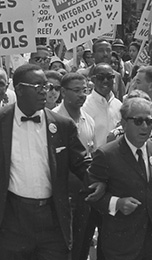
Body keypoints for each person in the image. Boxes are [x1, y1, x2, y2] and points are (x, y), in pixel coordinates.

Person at [0, 64, 103, 260]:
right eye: (38, 87)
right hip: (10, 218)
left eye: (46, 87)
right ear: (19, 90)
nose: (45, 92)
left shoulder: (62, 125)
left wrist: (96, 180)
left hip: (51, 218)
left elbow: (81, 162)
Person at [88, 96, 152, 259]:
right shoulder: (106, 154)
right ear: (124, 124)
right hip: (122, 245)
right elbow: (90, 195)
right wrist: (116, 203)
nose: (145, 126)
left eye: (149, 121)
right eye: (138, 121)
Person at [53, 72, 100, 260]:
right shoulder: (52, 119)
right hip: (60, 194)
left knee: (81, 243)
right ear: (63, 92)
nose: (82, 95)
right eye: (77, 90)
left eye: (85, 90)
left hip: (83, 192)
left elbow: (91, 155)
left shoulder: (88, 120)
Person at [82, 63, 123, 149]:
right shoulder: (84, 106)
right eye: (101, 77)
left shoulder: (119, 105)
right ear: (93, 80)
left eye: (109, 77)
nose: (105, 80)